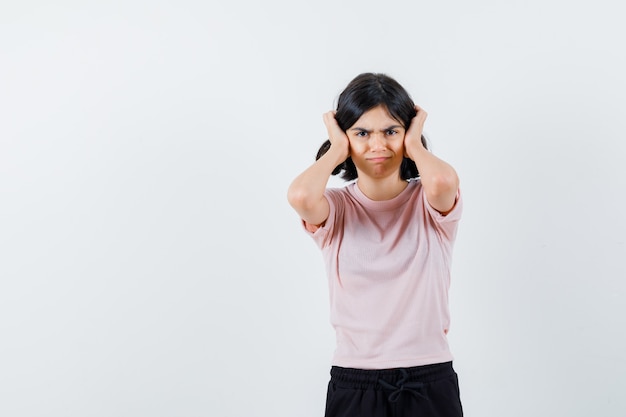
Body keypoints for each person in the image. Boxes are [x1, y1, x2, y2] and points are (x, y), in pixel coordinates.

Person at [287, 72, 463, 417]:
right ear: (343, 136)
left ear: (408, 134)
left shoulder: (430, 203)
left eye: (391, 131)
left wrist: (414, 145)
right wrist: (337, 149)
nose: (378, 145)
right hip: (355, 382)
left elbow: (442, 180)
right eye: (362, 133)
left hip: (429, 376)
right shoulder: (335, 209)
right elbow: (300, 196)